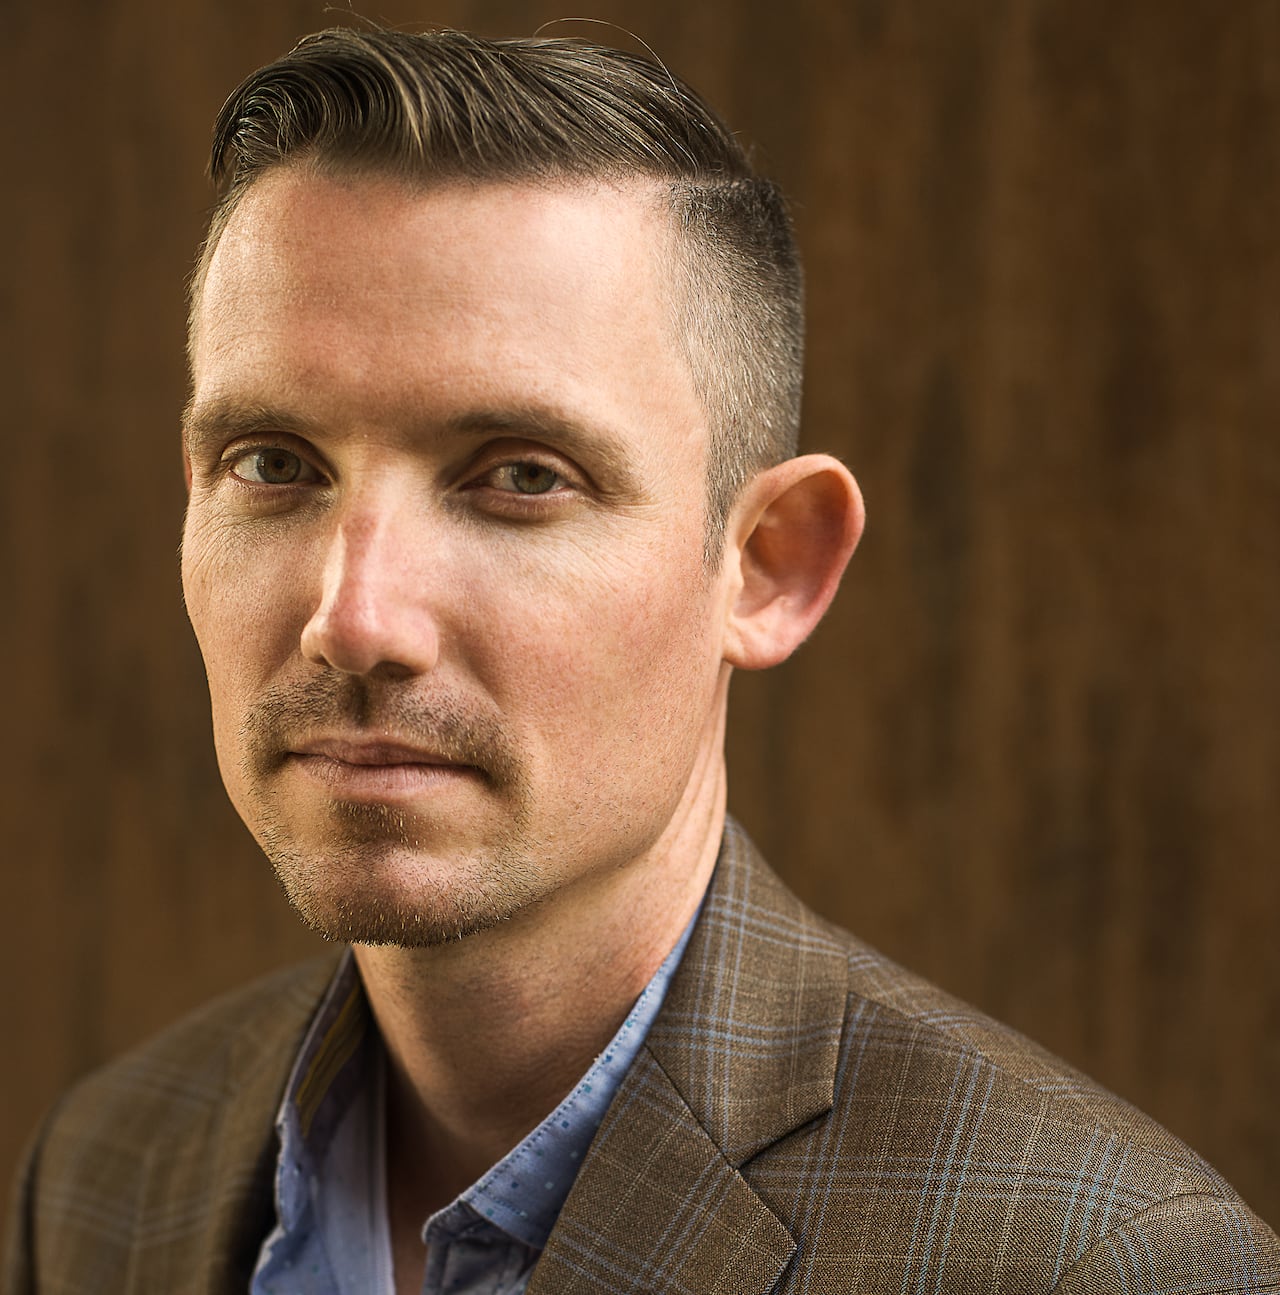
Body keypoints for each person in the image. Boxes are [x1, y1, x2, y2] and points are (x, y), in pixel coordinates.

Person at [5, 25, 1277, 1295]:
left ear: (768, 563)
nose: (357, 616)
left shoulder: (1106, 1262)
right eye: (274, 463)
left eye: (517, 477)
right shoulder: (104, 1172)